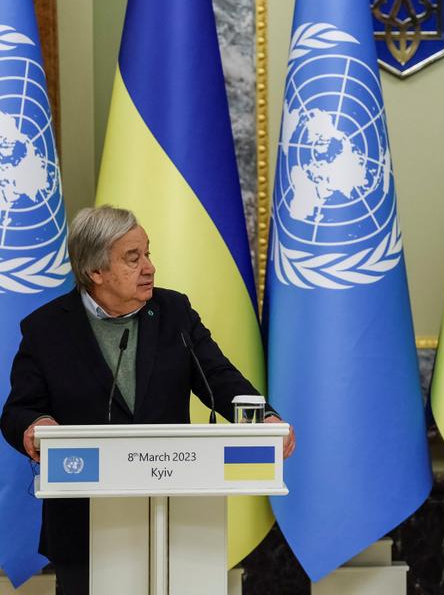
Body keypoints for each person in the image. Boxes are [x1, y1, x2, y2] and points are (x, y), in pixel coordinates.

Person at [1, 205, 295, 595]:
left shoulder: (173, 312)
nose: (150, 267)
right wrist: (35, 427)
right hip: (84, 526)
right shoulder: (47, 328)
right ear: (95, 271)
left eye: (148, 253)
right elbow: (19, 410)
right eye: (133, 258)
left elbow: (219, 378)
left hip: (177, 515)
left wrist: (266, 420)